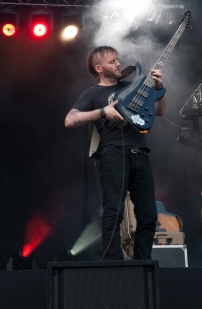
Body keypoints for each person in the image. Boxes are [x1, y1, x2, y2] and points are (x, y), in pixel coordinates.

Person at [65, 45, 166, 260]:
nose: (118, 63)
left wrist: (159, 88)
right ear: (99, 68)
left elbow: (159, 111)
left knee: (148, 215)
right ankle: (114, 261)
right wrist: (103, 112)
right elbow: (70, 120)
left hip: (140, 152)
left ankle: (143, 262)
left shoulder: (132, 85)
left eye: (117, 59)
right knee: (114, 211)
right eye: (112, 62)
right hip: (113, 153)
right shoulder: (92, 93)